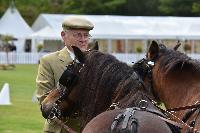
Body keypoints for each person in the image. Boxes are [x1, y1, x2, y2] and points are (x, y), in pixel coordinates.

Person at [36, 16, 94, 133]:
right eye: (78, 35)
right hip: (60, 129)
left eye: (86, 35)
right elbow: (44, 99)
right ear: (63, 35)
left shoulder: (97, 61)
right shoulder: (49, 61)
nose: (83, 39)